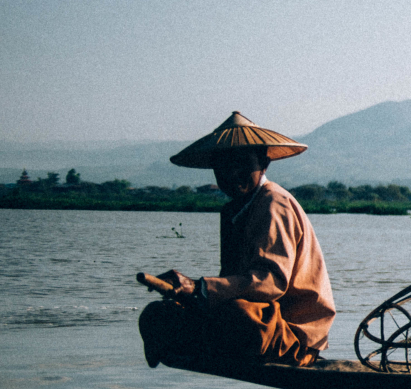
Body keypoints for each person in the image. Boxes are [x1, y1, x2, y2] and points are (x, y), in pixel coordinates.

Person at [137, 112, 335, 369]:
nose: (232, 173)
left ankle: (203, 346)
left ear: (263, 163)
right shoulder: (233, 211)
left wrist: (200, 287)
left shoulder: (274, 203)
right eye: (223, 166)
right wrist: (188, 293)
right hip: (257, 320)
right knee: (157, 314)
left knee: (238, 316)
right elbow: (232, 282)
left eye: (242, 163)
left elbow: (271, 282)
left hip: (292, 335)